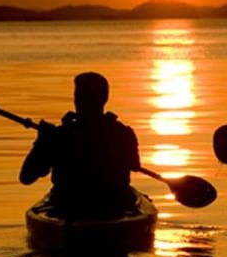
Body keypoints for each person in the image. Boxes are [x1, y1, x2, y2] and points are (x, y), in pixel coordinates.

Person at [19, 72, 141, 216]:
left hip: (69, 208)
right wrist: (44, 141)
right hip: (113, 208)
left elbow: (26, 177)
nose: (79, 100)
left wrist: (42, 141)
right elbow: (135, 165)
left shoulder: (60, 136)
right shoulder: (123, 134)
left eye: (81, 96)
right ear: (104, 99)